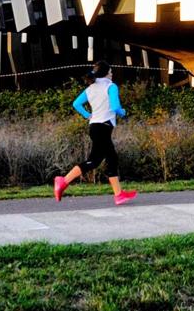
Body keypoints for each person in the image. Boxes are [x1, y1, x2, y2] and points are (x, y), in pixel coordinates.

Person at [54, 61, 138, 205]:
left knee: (95, 161)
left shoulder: (91, 88)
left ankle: (63, 181)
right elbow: (115, 106)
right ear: (106, 73)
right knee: (110, 158)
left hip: (94, 127)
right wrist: (122, 112)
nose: (112, 74)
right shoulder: (111, 86)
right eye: (111, 72)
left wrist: (87, 115)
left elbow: (76, 104)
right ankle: (118, 194)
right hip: (104, 127)